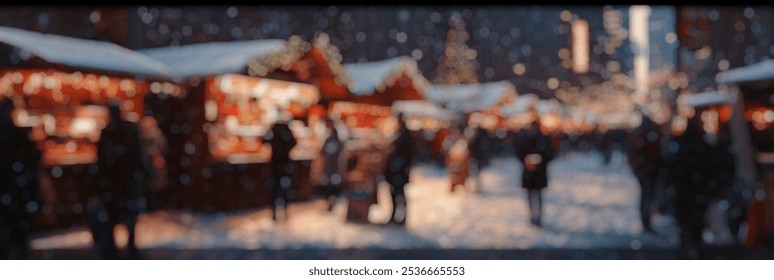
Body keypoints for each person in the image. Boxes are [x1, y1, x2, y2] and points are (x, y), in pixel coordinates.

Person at [668, 111, 735, 259]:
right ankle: (694, 248)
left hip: (686, 191)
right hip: (696, 190)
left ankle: (688, 248)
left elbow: (672, 168)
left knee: (687, 223)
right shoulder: (701, 145)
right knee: (695, 223)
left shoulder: (681, 144)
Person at [88, 101, 147, 259]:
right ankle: (127, 247)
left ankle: (117, 249)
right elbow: (137, 155)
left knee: (117, 217)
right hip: (122, 182)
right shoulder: (127, 131)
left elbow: (101, 160)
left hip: (116, 183)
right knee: (125, 217)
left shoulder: (112, 133)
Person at [0, 98, 42, 260]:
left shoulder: (16, 136)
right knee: (18, 239)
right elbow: (34, 160)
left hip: (13, 194)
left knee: (12, 238)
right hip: (17, 195)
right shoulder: (19, 136)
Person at [515, 106, 555, 227]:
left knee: (537, 196)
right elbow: (519, 152)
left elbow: (550, 154)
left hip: (538, 173)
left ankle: (537, 217)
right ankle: (533, 216)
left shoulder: (542, 139)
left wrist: (540, 160)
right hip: (532, 173)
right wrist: (526, 160)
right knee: (533, 196)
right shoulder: (527, 139)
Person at [627, 112, 663, 234]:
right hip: (647, 170)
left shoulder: (639, 134)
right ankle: (646, 221)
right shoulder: (647, 135)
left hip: (645, 170)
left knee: (647, 196)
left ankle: (646, 220)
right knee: (647, 196)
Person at [383, 113, 414, 226]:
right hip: (397, 170)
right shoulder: (400, 134)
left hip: (399, 170)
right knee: (395, 193)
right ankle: (395, 215)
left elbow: (407, 155)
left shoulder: (405, 136)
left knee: (399, 193)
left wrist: (399, 165)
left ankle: (401, 216)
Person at [268, 112, 297, 222]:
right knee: (285, 189)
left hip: (275, 165)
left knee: (275, 190)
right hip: (285, 165)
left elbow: (265, 141)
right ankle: (284, 210)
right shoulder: (286, 131)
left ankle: (275, 212)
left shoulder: (274, 130)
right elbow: (293, 143)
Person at [315, 116, 348, 211]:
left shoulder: (336, 136)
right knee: (330, 183)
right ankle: (330, 202)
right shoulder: (330, 136)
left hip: (333, 164)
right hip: (329, 165)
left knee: (332, 183)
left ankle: (332, 201)